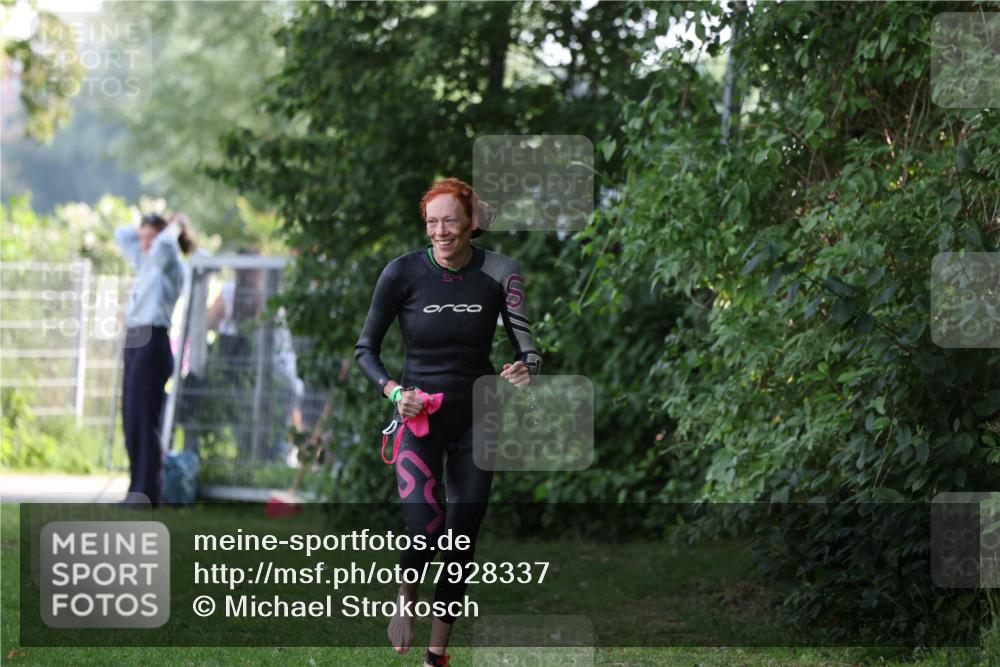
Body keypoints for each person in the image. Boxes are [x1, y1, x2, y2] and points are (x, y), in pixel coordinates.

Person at [355, 177, 542, 667]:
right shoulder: (401, 273)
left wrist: (525, 370)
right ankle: (405, 596)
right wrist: (396, 393)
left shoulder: (501, 272)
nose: (441, 231)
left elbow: (529, 350)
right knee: (426, 528)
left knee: (462, 536)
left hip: (478, 418)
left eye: (451, 222)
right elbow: (365, 350)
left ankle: (436, 654)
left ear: (470, 223)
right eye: (432, 222)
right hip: (419, 417)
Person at [114, 212, 195, 506]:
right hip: (135, 338)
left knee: (145, 420)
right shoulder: (145, 263)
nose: (145, 244)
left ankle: (148, 491)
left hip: (153, 339)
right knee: (131, 418)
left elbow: (163, 248)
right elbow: (122, 235)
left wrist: (175, 225)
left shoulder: (170, 265)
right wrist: (145, 226)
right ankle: (136, 487)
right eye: (143, 238)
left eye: (151, 237)